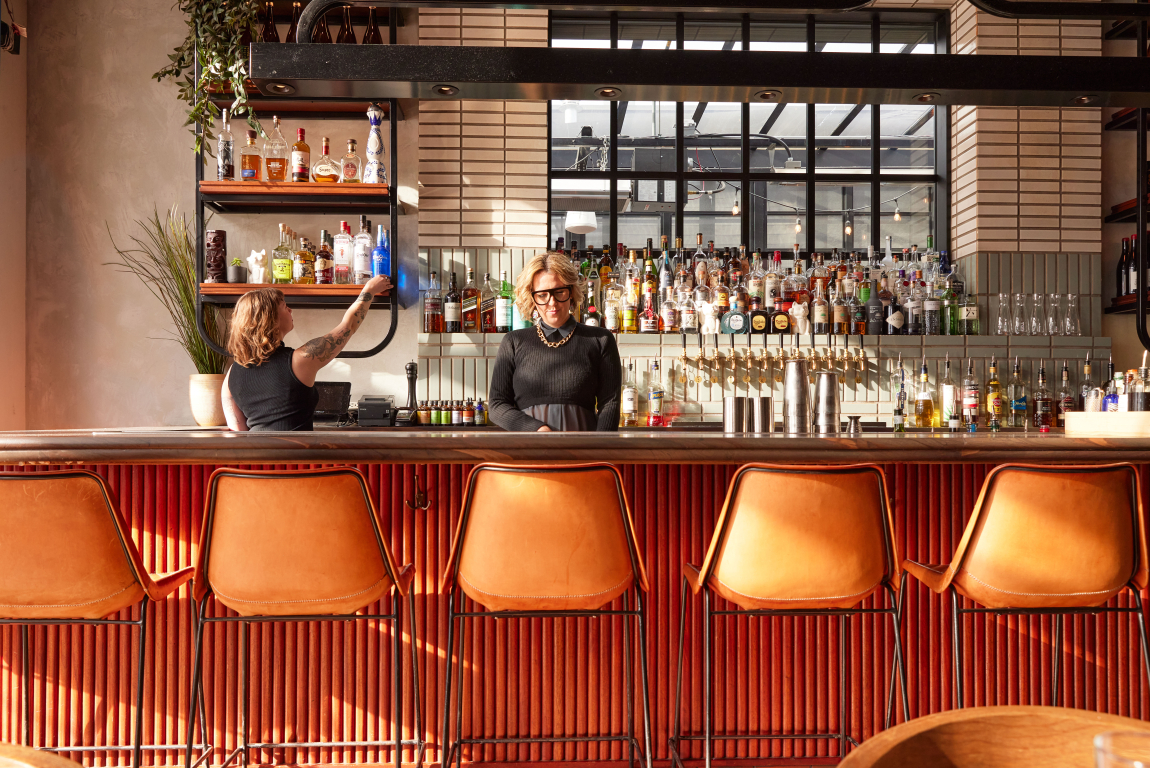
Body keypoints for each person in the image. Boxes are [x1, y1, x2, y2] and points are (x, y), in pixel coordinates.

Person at [222, 276, 391, 431]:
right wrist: (369, 289)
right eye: (284, 306)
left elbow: (238, 429)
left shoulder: (231, 373)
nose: (290, 310)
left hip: (253, 462)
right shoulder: (301, 359)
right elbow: (348, 326)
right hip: (298, 461)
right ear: (270, 318)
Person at [487, 252, 622, 432]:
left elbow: (610, 404)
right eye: (542, 295)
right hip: (529, 453)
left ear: (572, 292)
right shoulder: (513, 341)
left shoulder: (600, 340)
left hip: (584, 455)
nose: (552, 302)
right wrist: (537, 429)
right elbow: (496, 406)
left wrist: (597, 449)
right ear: (532, 298)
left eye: (559, 292)